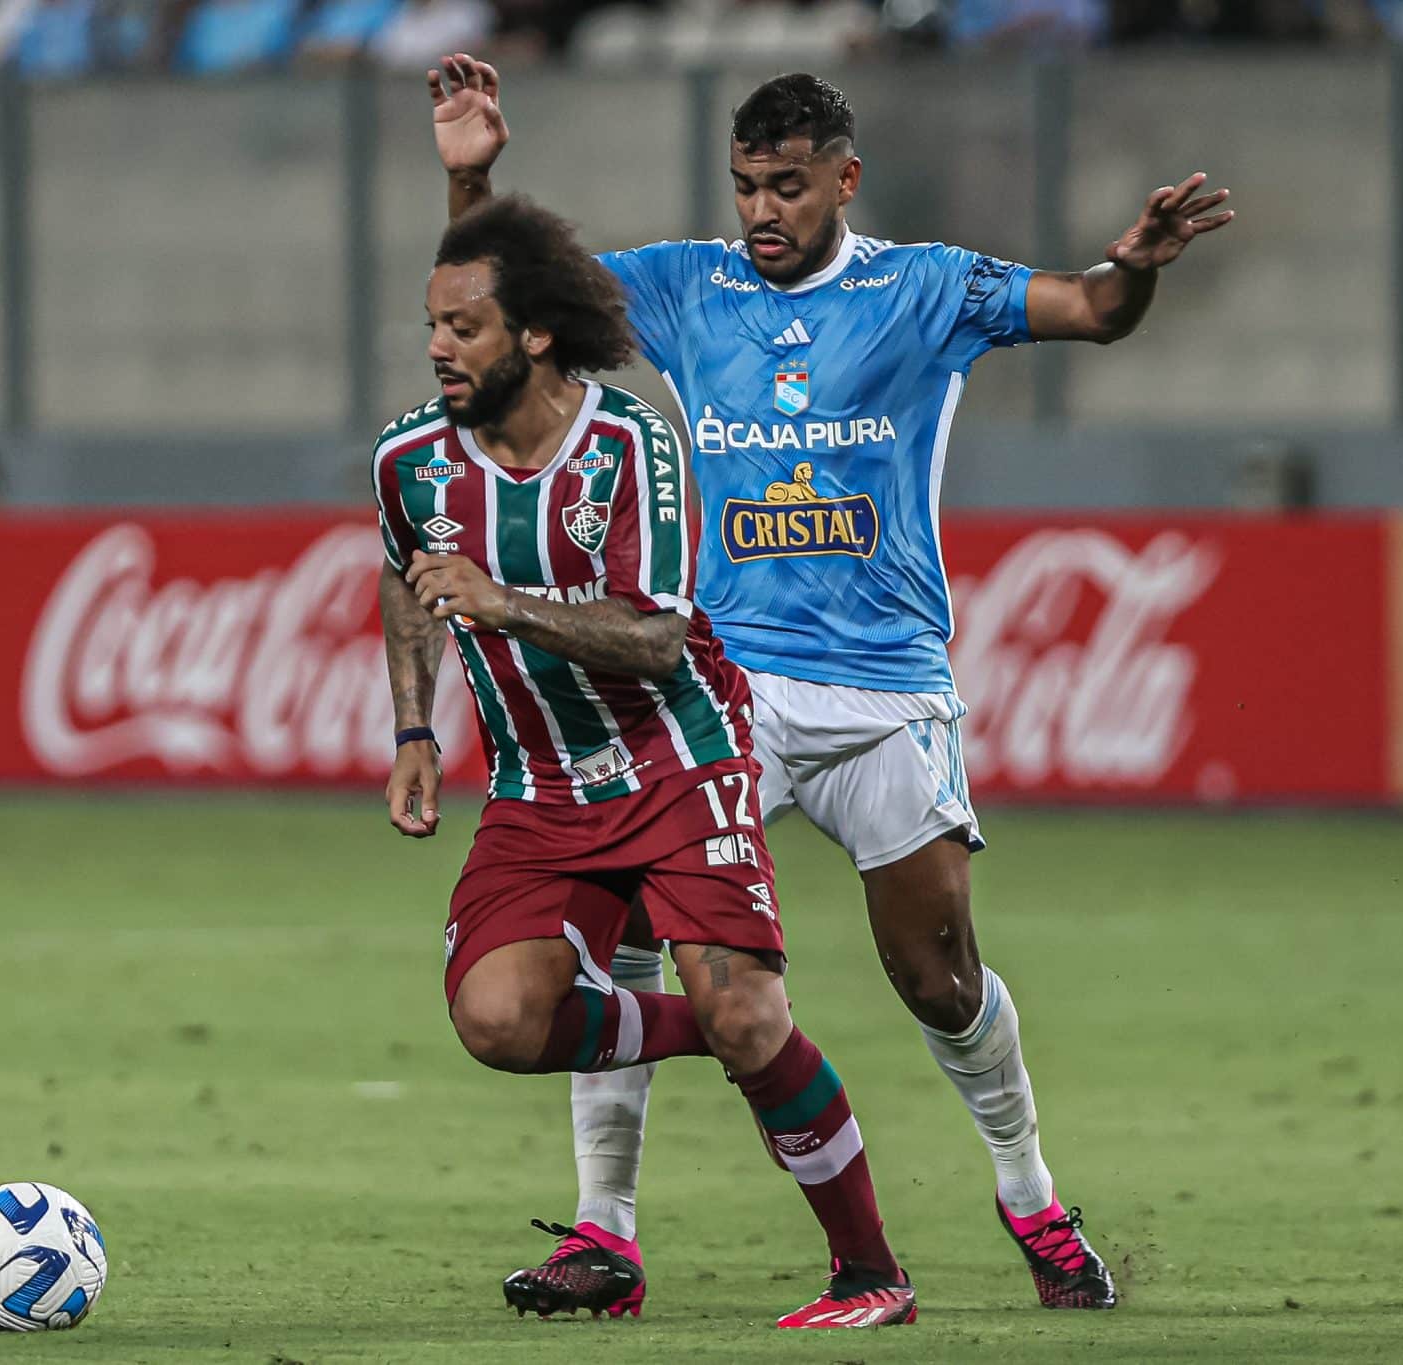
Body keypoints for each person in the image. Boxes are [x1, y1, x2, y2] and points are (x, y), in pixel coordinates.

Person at [428, 56, 1237, 1315]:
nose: (762, 210)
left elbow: (1088, 308)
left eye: (788, 188)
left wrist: (1129, 265)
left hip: (880, 697)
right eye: (747, 185)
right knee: (633, 940)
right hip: (720, 696)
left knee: (938, 977)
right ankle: (605, 1232)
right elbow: (502, 305)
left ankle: (1029, 1199)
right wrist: (471, 171)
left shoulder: (924, 288)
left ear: (843, 181)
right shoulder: (686, 286)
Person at [375, 193, 917, 1330]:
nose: (436, 348)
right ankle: (729, 1036)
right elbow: (405, 577)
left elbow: (658, 635)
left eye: (462, 328)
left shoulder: (628, 442)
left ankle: (871, 1277)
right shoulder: (410, 460)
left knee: (741, 1007)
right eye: (430, 326)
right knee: (497, 1019)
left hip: (677, 761)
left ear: (531, 335)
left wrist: (503, 605)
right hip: (537, 785)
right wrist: (415, 730)